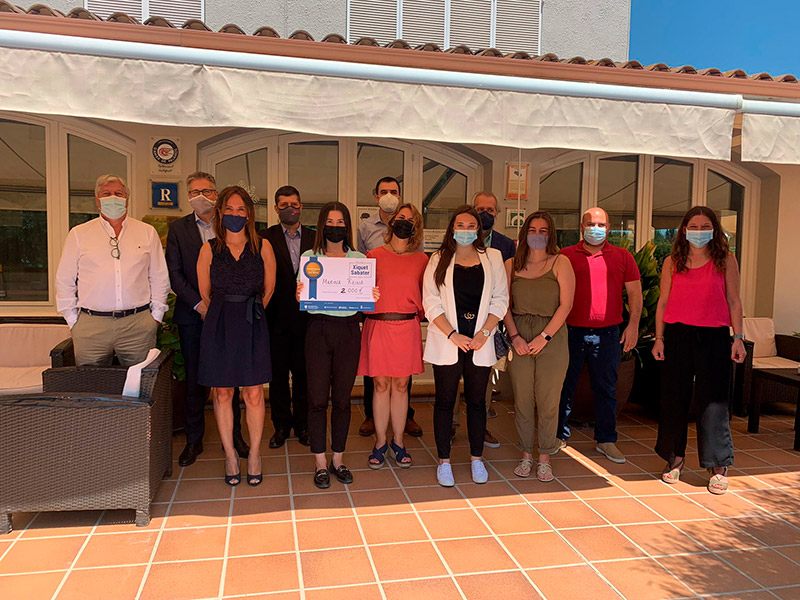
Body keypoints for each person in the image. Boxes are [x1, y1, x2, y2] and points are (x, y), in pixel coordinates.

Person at [653, 206, 745, 495]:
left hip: (715, 337)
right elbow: (663, 302)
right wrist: (658, 338)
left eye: (705, 226)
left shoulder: (726, 260)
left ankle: (718, 465)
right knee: (674, 397)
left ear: (715, 230)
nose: (699, 231)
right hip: (678, 335)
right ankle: (675, 458)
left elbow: (734, 301)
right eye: (693, 226)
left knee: (714, 402)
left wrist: (738, 337)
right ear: (684, 230)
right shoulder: (672, 261)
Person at [166, 172, 250, 467]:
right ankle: (193, 439)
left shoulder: (233, 226)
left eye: (207, 190)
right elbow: (175, 274)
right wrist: (201, 305)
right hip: (194, 316)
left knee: (232, 379)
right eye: (195, 191)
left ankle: (237, 436)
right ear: (188, 195)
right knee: (193, 379)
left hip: (231, 318)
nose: (201, 195)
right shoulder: (178, 229)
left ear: (217, 195)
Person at [423, 205, 509, 487]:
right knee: (445, 402)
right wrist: (453, 335)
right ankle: (444, 462)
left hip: (480, 342)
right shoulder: (438, 258)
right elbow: (431, 302)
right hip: (450, 341)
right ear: (452, 228)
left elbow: (500, 299)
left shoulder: (493, 257)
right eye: (460, 225)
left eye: (471, 225)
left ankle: (476, 458)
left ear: (479, 230)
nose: (465, 230)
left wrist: (485, 333)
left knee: (476, 403)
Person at [197, 186, 276, 487]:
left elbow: (268, 290)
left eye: (240, 209)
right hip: (219, 323)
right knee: (222, 393)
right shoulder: (209, 249)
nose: (234, 214)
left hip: (252, 321)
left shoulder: (263, 247)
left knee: (254, 393)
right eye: (229, 209)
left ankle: (254, 454)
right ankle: (230, 453)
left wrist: (250, 312)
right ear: (220, 213)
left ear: (249, 214)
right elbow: (205, 294)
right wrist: (223, 312)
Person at [297, 202, 379, 489]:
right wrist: (300, 293)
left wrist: (371, 294)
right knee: (318, 399)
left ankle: (338, 459)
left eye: (340, 221)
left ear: (347, 226)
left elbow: (366, 306)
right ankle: (320, 462)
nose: (335, 227)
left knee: (343, 400)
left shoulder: (359, 258)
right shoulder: (310, 257)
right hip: (317, 330)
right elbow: (304, 299)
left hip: (348, 331)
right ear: (322, 226)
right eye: (330, 222)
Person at [56, 174, 170, 367]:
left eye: (118, 193)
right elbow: (64, 280)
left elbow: (159, 276)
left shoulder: (146, 232)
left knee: (139, 386)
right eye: (106, 194)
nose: (113, 197)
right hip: (91, 325)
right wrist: (73, 321)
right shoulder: (79, 234)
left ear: (127, 198)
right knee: (91, 388)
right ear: (97, 201)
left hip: (138, 324)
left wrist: (156, 317)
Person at [557, 207, 642, 464]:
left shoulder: (623, 256)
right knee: (564, 386)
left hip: (608, 334)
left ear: (609, 227)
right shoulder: (565, 255)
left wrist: (633, 326)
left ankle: (606, 440)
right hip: (570, 332)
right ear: (581, 227)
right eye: (591, 223)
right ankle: (558, 436)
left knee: (606, 388)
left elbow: (635, 295)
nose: (597, 228)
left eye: (602, 224)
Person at [503, 212, 574, 481]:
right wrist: (515, 337)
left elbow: (566, 305)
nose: (537, 235)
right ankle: (526, 454)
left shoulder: (561, 262)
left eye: (543, 231)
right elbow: (504, 304)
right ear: (524, 233)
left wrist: (544, 337)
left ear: (551, 234)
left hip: (552, 337)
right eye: (532, 229)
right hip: (519, 334)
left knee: (548, 399)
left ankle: (545, 456)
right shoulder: (511, 264)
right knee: (522, 399)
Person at [359, 204, 428, 469]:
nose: (404, 222)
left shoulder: (422, 260)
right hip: (377, 325)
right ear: (391, 222)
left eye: (410, 220)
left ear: (416, 226)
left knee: (401, 386)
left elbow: (426, 298)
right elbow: (359, 296)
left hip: (406, 326)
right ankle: (380, 442)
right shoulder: (372, 256)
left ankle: (398, 441)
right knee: (380, 385)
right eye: (401, 218)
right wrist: (368, 298)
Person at [452, 191, 517, 447]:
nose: (485, 214)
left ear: (497, 214)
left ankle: (480, 428)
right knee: (452, 378)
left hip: (489, 326)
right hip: (456, 325)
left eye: (490, 210)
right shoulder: (453, 245)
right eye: (480, 209)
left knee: (483, 383)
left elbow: (506, 286)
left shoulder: (504, 245)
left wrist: (491, 326)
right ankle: (453, 425)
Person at [260, 185, 315, 449]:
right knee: (278, 376)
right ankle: (281, 426)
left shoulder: (317, 238)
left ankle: (303, 425)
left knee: (305, 375)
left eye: (294, 204)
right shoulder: (263, 238)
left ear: (301, 206)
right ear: (275, 208)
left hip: (308, 321)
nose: (289, 209)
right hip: (275, 320)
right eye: (283, 205)